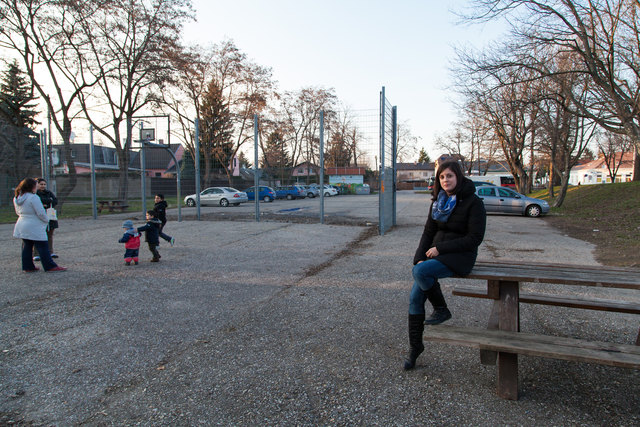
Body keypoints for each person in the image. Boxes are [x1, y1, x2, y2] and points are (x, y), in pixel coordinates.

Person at [404, 161, 486, 370]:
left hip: (460, 256)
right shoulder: (438, 202)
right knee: (415, 295)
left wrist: (441, 249)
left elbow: (475, 238)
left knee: (420, 273)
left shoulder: (473, 202)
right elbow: (428, 233)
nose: (445, 180)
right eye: (441, 177)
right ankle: (416, 347)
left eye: (449, 176)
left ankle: (441, 309)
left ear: (458, 177)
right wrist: (419, 257)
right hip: (435, 254)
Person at [13, 177, 67, 272]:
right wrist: (46, 220)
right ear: (31, 186)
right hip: (34, 225)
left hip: (22, 223)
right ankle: (50, 266)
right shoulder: (33, 197)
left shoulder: (17, 197)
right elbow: (41, 213)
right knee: (43, 246)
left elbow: (18, 212)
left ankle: (28, 266)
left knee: (27, 246)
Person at [34, 178, 59, 261]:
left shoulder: (49, 192)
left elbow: (55, 201)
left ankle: (50, 252)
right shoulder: (34, 194)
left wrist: (47, 202)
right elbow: (38, 202)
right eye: (41, 184)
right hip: (39, 217)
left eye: (44, 184)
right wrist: (49, 201)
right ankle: (36, 253)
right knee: (38, 235)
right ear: (37, 184)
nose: (43, 186)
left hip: (50, 216)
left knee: (50, 235)